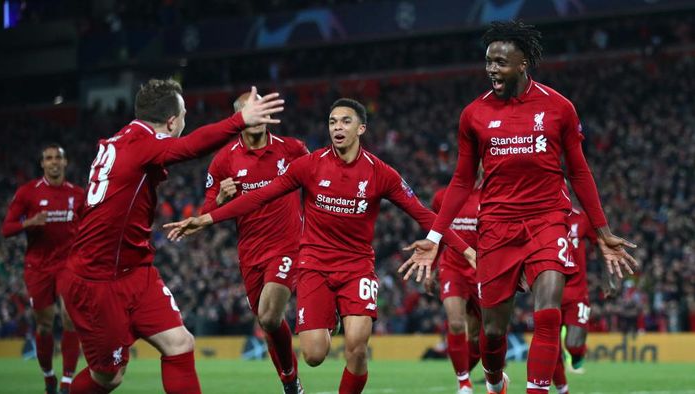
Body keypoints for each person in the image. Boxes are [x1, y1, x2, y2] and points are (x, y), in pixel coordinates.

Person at [164, 98, 476, 394]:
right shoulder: (309, 165)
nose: (337, 127)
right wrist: (208, 219)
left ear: (361, 129)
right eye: (332, 122)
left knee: (357, 347)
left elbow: (423, 212)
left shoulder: (381, 173)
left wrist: (466, 250)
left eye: (345, 121)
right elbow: (261, 195)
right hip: (314, 266)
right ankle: (330, 321)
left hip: (357, 267)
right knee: (314, 354)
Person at [399, 21, 638, 394]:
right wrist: (433, 236)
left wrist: (603, 231)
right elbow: (462, 181)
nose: (492, 69)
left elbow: (578, 171)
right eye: (489, 62)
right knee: (493, 332)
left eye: (500, 62)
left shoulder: (559, 108)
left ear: (523, 63)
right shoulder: (473, 115)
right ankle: (495, 380)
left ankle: (538, 389)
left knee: (547, 314)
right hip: (495, 226)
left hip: (548, 220)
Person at [58, 79, 284, 394]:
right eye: (185, 115)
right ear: (171, 121)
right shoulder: (142, 143)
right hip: (98, 280)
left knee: (179, 343)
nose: (185, 123)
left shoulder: (125, 140)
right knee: (109, 376)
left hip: (134, 269)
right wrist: (240, 121)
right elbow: (190, 147)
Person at [202, 91, 309, 394]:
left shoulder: (292, 150)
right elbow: (206, 215)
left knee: (269, 315)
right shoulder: (224, 160)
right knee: (268, 323)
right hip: (250, 254)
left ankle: (291, 380)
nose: (255, 116)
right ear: (238, 119)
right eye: (249, 111)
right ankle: (290, 382)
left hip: (288, 245)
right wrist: (221, 199)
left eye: (260, 109)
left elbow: (318, 186)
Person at [1, 144, 84, 394]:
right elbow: (7, 229)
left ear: (65, 162)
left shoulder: (78, 195)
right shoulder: (28, 193)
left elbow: (91, 225)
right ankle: (48, 375)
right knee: (44, 325)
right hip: (38, 267)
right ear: (42, 164)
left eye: (58, 157)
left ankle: (67, 381)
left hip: (69, 265)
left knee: (71, 319)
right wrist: (30, 222)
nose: (54, 162)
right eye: (49, 158)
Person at [425, 179, 482, 394]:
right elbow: (436, 234)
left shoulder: (490, 195)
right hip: (452, 267)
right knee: (456, 323)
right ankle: (464, 383)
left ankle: (477, 372)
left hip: (480, 270)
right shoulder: (442, 197)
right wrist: (430, 267)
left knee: (479, 336)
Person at [552, 206, 601, 393]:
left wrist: (608, 278)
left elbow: (600, 244)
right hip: (550, 291)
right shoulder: (539, 215)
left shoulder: (581, 217)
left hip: (578, 292)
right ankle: (563, 389)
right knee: (551, 346)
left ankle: (578, 353)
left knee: (573, 344)